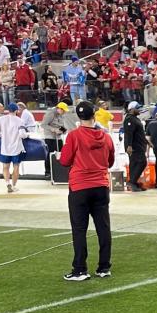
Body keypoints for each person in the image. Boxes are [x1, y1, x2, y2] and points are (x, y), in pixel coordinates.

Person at [59, 100, 114, 281]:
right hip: (100, 185)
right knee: (103, 227)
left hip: (80, 186)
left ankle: (80, 269)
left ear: (79, 116)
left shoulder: (74, 136)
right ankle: (104, 267)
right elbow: (110, 161)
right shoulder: (105, 137)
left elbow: (65, 161)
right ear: (94, 115)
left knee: (79, 229)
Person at [0, 102, 26, 193]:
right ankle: (14, 186)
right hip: (16, 148)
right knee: (16, 167)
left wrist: (2, 135)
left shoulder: (1, 119)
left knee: (5, 167)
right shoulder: (19, 120)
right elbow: (22, 135)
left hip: (5, 148)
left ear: (8, 110)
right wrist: (27, 135)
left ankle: (7, 183)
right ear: (16, 110)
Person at [40, 100, 74, 180]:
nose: (64, 112)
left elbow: (61, 125)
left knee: (61, 154)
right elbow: (43, 125)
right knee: (49, 155)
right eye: (64, 110)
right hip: (49, 137)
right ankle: (48, 172)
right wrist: (53, 129)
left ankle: (59, 171)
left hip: (58, 137)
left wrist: (63, 130)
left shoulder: (62, 115)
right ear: (59, 109)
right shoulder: (50, 113)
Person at [122, 101, 148, 192]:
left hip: (138, 145)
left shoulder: (134, 118)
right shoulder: (129, 119)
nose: (140, 110)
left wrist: (147, 142)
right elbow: (129, 133)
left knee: (134, 164)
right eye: (138, 108)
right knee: (142, 162)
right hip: (134, 146)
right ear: (132, 109)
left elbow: (139, 133)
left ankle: (133, 182)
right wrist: (129, 146)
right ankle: (132, 182)